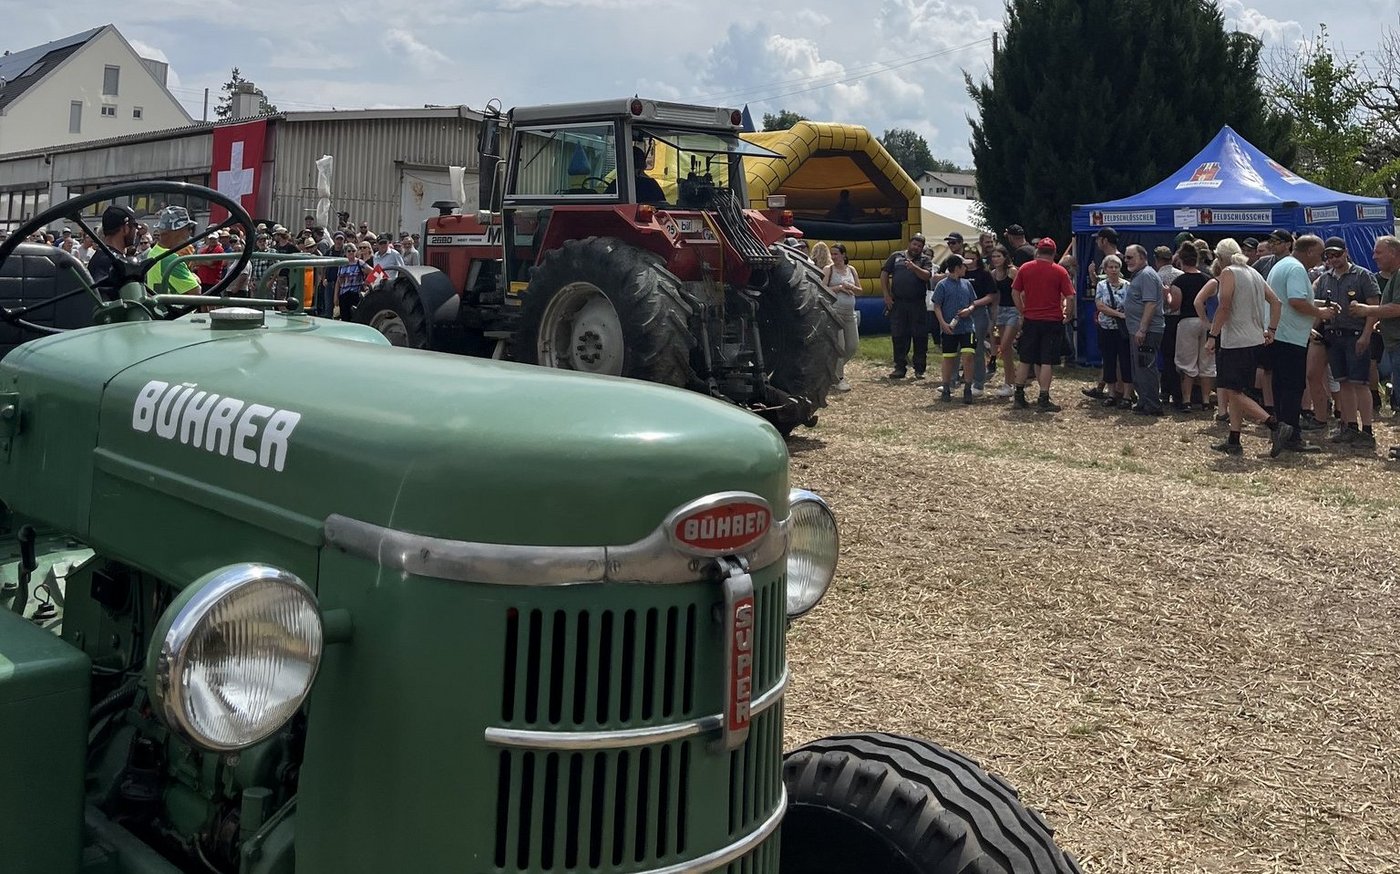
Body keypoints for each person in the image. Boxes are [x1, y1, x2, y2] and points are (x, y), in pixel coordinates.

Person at [1204, 248, 1287, 455]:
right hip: (1255, 340)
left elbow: (1224, 307)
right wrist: (1272, 330)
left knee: (1232, 391)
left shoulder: (1228, 273)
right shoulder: (1254, 273)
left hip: (1236, 342)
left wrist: (1213, 335)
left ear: (1221, 257)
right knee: (1237, 392)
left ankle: (1274, 424)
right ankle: (1234, 439)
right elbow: (1276, 302)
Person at [1313, 236, 1381, 445]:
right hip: (1334, 336)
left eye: (1337, 254)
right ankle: (1350, 426)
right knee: (1343, 383)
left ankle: (1367, 431)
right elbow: (1318, 307)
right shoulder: (1324, 279)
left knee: (1360, 383)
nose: (1333, 259)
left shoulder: (1362, 275)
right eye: (1329, 256)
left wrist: (1366, 335)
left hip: (1356, 335)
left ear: (1346, 253)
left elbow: (1374, 308)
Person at [1268, 234, 1330, 452]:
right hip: (1290, 337)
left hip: (1280, 334)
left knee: (1280, 385)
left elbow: (1287, 300)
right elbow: (1296, 301)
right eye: (1321, 254)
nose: (1322, 259)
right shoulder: (1296, 269)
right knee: (1293, 387)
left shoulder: (1281, 265)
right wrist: (1320, 313)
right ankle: (1291, 436)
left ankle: (1280, 431)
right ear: (1310, 251)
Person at [1345, 236, 1400, 454]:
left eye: (1378, 252)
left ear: (1393, 253)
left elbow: (1397, 308)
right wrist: (1381, 323)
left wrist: (1368, 310)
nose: (1374, 256)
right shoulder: (1394, 276)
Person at [1009, 237, 1074, 411]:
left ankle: (1019, 396)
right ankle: (1043, 397)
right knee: (1046, 361)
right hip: (1052, 320)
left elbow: (1015, 292)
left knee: (1025, 359)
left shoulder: (1025, 268)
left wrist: (1023, 311)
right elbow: (1070, 296)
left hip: (1031, 319)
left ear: (1037, 251)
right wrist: (1068, 314)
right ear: (1054, 253)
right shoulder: (1060, 271)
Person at [881, 232, 933, 379]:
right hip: (898, 302)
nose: (916, 247)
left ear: (922, 248)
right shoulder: (896, 256)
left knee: (920, 336)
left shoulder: (925, 260)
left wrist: (914, 268)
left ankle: (919, 368)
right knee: (899, 335)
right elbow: (884, 273)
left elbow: (927, 276)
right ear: (909, 243)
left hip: (917, 303)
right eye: (914, 244)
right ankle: (899, 367)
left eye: (919, 246)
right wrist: (886, 295)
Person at [1170, 241, 1214, 412]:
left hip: (1187, 321)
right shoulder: (1207, 279)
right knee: (1206, 363)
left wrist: (1167, 296)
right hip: (1206, 321)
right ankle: (1206, 401)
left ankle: (1187, 400)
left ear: (1181, 261)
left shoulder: (1179, 281)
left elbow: (1175, 306)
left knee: (1187, 363)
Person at [1122, 245, 1166, 416]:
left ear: (1142, 257)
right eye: (1126, 257)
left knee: (1146, 367)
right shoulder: (1140, 275)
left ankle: (1153, 405)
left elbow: (1151, 303)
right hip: (1138, 330)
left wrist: (1142, 329)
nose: (1127, 261)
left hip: (1147, 331)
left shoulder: (1147, 275)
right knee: (1139, 368)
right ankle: (1143, 400)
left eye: (1130, 257)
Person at [931, 255, 978, 403]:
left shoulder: (967, 284)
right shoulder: (942, 285)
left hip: (967, 327)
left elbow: (973, 302)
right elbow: (937, 305)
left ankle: (968, 388)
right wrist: (943, 324)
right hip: (950, 328)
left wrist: (969, 310)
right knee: (949, 358)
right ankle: (946, 387)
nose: (966, 269)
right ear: (957, 268)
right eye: (964, 266)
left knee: (968, 356)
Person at [1093, 254, 1132, 406]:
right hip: (1106, 327)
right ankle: (1111, 394)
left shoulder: (1127, 285)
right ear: (1105, 269)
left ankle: (1127, 395)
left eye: (1116, 267)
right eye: (1111, 267)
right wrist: (1118, 314)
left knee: (1125, 360)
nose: (1114, 270)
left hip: (1123, 329)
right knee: (1109, 360)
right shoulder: (1101, 285)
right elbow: (1100, 305)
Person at [822, 243, 861, 393]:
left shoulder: (851, 270)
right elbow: (822, 288)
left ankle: (830, 371)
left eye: (836, 254)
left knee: (852, 346)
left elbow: (860, 290)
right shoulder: (829, 269)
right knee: (840, 347)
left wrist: (851, 287)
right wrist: (839, 288)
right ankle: (839, 379)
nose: (833, 257)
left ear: (844, 255)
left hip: (850, 313)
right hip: (835, 312)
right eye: (831, 254)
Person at [85, 204, 138, 298]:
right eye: (135, 225)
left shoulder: (107, 257)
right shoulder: (106, 262)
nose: (137, 230)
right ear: (125, 228)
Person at [146, 206, 202, 296]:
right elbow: (196, 292)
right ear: (178, 230)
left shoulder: (154, 252)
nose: (190, 233)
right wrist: (194, 278)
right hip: (173, 305)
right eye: (188, 228)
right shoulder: (170, 259)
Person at [988, 244, 1021, 396]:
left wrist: (1022, 312)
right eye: (993, 256)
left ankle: (1014, 379)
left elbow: (1021, 291)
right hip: (1000, 310)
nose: (995, 259)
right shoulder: (993, 274)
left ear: (1005, 257)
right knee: (1005, 349)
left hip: (1014, 310)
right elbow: (995, 296)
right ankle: (1010, 382)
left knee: (1005, 345)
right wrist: (993, 315)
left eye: (998, 256)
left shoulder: (1012, 271)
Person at [963, 251, 997, 395]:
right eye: (966, 258)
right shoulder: (960, 273)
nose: (969, 261)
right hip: (961, 311)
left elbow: (991, 295)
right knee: (960, 347)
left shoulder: (984, 274)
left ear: (977, 258)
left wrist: (974, 303)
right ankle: (954, 380)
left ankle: (978, 383)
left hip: (979, 311)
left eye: (972, 258)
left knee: (977, 347)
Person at [1156, 245, 1185, 408]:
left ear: (1157, 260)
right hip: (1180, 320)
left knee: (1167, 357)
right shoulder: (1181, 275)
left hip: (1165, 318)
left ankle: (1170, 392)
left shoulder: (1156, 277)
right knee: (1178, 357)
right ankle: (1172, 391)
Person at [334, 241, 369, 321]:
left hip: (355, 294)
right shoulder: (342, 264)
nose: (351, 253)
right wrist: (335, 296)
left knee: (355, 318)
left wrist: (366, 282)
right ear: (345, 252)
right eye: (349, 251)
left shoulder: (360, 263)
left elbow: (374, 272)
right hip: (343, 294)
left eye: (353, 251)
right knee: (344, 318)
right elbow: (338, 281)